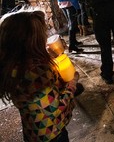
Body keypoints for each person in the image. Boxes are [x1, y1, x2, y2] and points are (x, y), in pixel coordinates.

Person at [0, 9, 79, 141]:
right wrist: (72, 84)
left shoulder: (11, 65)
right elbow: (55, 109)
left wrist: (50, 57)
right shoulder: (36, 72)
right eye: (42, 32)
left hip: (31, 130)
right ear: (30, 39)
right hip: (50, 134)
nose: (45, 36)